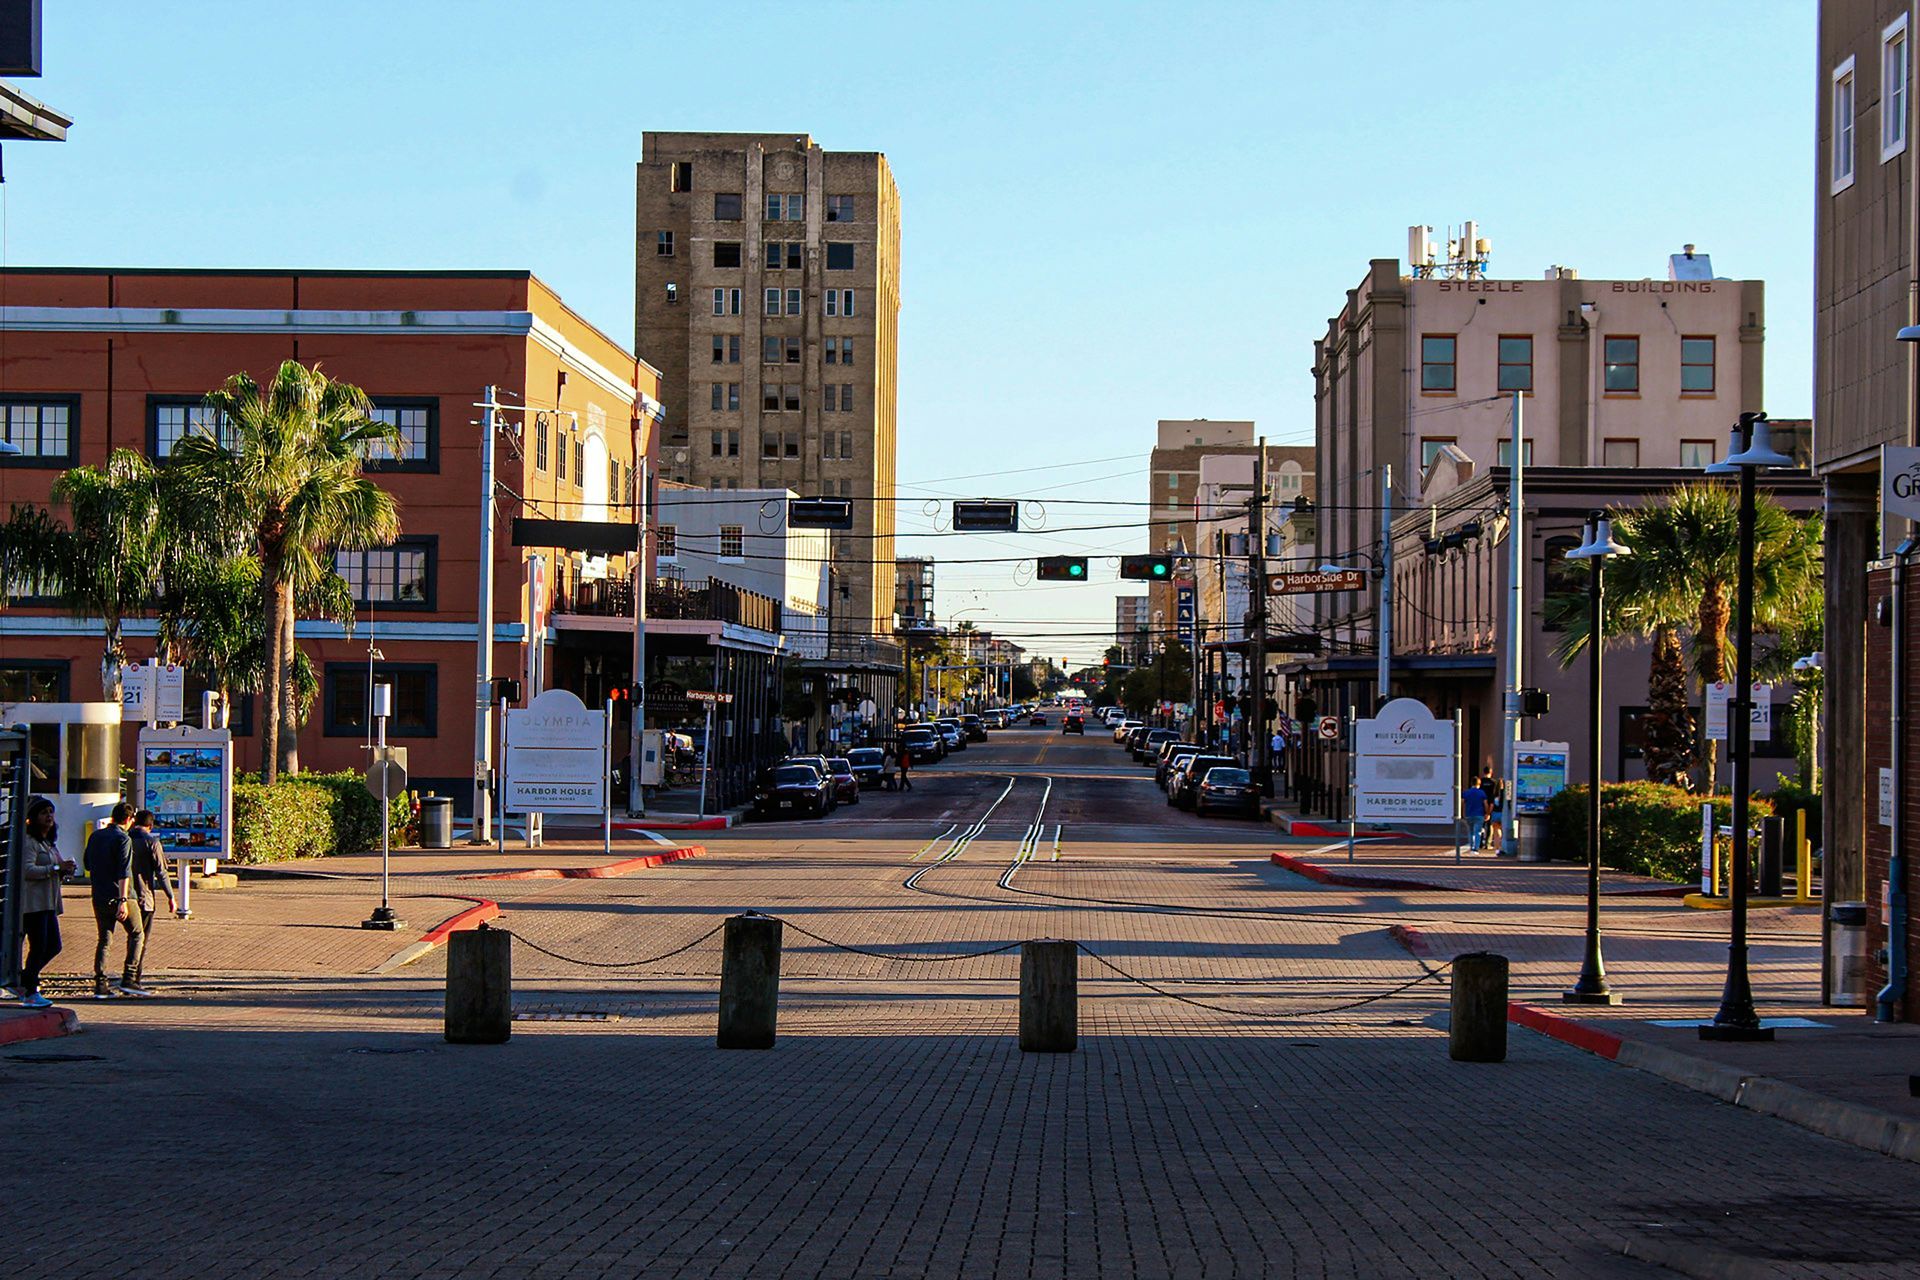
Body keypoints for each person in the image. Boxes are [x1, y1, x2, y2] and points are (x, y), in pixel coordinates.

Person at [82, 801, 146, 999]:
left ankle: (100, 983)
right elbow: (124, 871)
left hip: (99, 894)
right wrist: (123, 899)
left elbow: (87, 863)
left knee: (105, 938)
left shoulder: (95, 836)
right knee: (137, 933)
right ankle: (129, 978)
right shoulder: (123, 839)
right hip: (120, 894)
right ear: (128, 820)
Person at [17, 797, 75, 1008]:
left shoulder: (48, 844)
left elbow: (57, 867)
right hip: (33, 904)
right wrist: (55, 869)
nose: (49, 816)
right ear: (33, 818)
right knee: (39, 946)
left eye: (51, 812)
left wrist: (65, 869)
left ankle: (24, 979)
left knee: (53, 946)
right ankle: (29, 989)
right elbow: (27, 870)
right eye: (44, 813)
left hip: (49, 902)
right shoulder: (29, 843)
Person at [126, 810, 177, 994]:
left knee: (116, 937)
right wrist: (170, 896)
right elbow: (161, 873)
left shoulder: (124, 839)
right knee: (141, 938)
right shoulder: (152, 842)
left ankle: (107, 978)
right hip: (144, 897)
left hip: (123, 895)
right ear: (151, 825)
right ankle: (132, 978)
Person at [1462, 777, 1488, 852]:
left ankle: (1471, 846)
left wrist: (1462, 813)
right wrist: (1486, 813)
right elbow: (1485, 804)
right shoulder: (1482, 793)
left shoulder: (1466, 792)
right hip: (1479, 814)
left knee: (1470, 831)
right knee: (1477, 832)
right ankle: (1476, 848)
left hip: (1469, 814)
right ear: (1479, 784)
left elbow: (1462, 803)